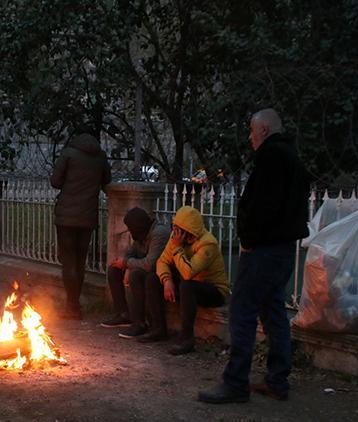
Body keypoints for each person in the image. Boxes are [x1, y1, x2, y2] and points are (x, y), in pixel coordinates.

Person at [198, 108, 310, 404]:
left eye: (251, 131)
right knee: (274, 312)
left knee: (243, 312)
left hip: (263, 250)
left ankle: (235, 383)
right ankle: (277, 380)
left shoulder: (272, 157)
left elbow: (263, 206)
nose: (249, 138)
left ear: (263, 130)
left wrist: (249, 240)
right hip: (282, 250)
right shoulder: (292, 158)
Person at [50, 130, 111, 320]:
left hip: (66, 216)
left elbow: (55, 182)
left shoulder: (68, 154)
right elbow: (106, 181)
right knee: (80, 261)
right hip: (87, 216)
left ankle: (72, 306)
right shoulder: (100, 157)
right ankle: (74, 305)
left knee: (68, 261)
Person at [155, 205, 229, 355]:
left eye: (178, 229)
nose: (174, 233)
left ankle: (187, 339)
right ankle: (157, 328)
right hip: (189, 285)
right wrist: (167, 280)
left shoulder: (208, 243)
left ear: (187, 231)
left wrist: (177, 248)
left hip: (213, 290)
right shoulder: (176, 238)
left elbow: (188, 273)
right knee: (154, 278)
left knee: (187, 286)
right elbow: (161, 262)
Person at [100, 207, 169, 340]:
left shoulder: (159, 234)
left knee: (136, 274)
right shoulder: (140, 234)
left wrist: (127, 264)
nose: (130, 232)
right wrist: (125, 265)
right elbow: (131, 252)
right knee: (114, 270)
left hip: (161, 273)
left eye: (131, 228)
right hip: (145, 268)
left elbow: (150, 264)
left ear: (138, 226)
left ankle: (139, 323)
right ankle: (124, 314)